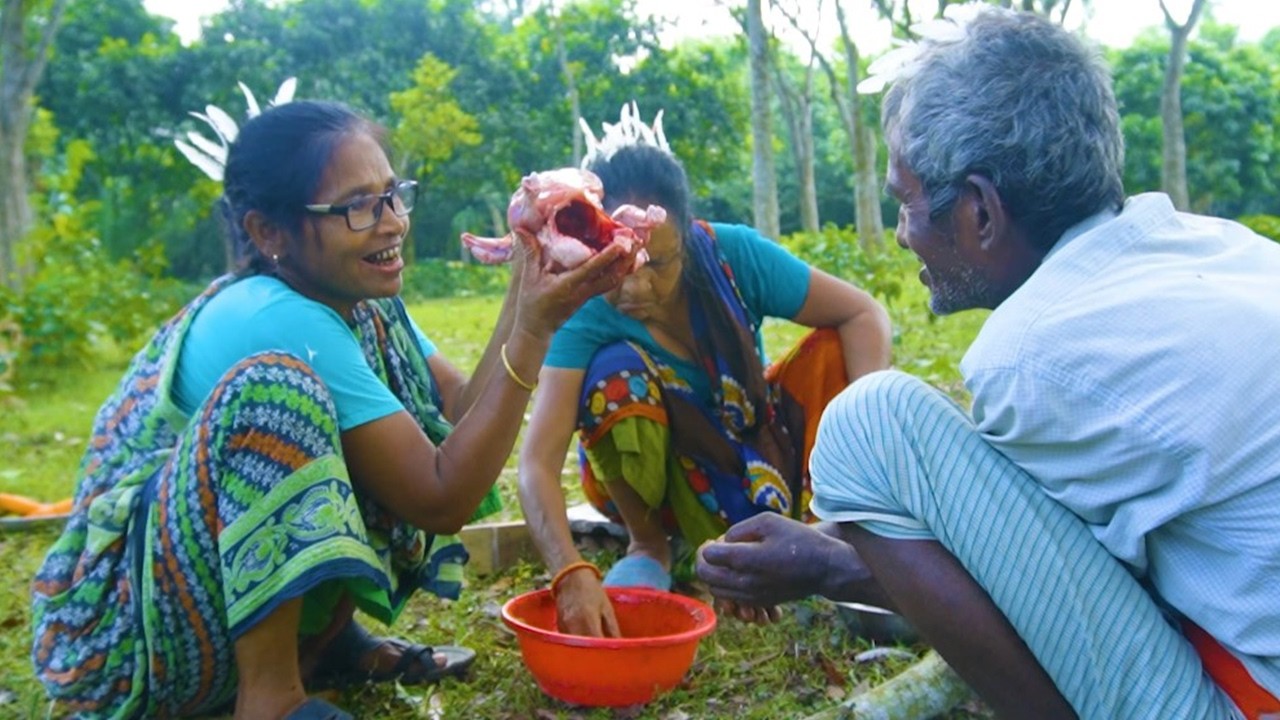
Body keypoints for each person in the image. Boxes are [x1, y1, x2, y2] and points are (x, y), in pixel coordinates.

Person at [696, 7, 1280, 720]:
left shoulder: (1034, 352)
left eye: (906, 203)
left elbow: (1054, 606)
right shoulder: (1222, 247)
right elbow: (1061, 574)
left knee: (867, 422)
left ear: (978, 211)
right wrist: (830, 561)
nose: (905, 234)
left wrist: (826, 562)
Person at [30, 99, 633, 720]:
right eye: (356, 207)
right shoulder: (276, 317)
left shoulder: (357, 299)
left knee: (369, 433)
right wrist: (533, 333)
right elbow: (441, 495)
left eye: (392, 194)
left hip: (197, 610)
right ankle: (269, 698)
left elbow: (456, 408)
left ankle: (325, 644)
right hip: (125, 638)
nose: (393, 221)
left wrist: (527, 272)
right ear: (268, 232)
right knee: (278, 397)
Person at [517, 105, 893, 637]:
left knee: (834, 348)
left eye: (660, 264)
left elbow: (864, 314)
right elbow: (536, 462)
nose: (634, 288)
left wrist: (866, 458)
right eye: (617, 264)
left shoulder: (733, 254)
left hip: (754, 455)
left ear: (689, 239)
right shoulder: (585, 304)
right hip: (652, 482)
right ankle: (649, 546)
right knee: (613, 372)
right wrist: (568, 572)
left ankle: (820, 526)